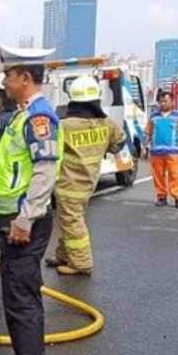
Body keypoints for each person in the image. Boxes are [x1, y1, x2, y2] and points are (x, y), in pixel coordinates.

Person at [0, 45, 63, 355]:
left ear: (25, 78)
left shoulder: (39, 117)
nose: (4, 81)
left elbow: (45, 171)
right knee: (14, 301)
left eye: (8, 75)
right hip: (13, 221)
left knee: (23, 303)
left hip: (24, 223)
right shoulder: (22, 115)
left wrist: (24, 219)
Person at [46, 75, 127, 275]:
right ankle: (64, 255)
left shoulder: (65, 125)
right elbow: (120, 146)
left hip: (69, 183)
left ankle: (81, 263)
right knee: (71, 218)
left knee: (72, 222)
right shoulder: (107, 123)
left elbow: (50, 152)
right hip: (89, 182)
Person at [143, 91, 178, 209]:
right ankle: (161, 196)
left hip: (173, 152)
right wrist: (144, 148)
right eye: (161, 101)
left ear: (172, 102)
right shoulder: (153, 116)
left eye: (165, 101)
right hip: (156, 152)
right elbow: (148, 133)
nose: (163, 104)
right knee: (158, 175)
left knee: (175, 175)